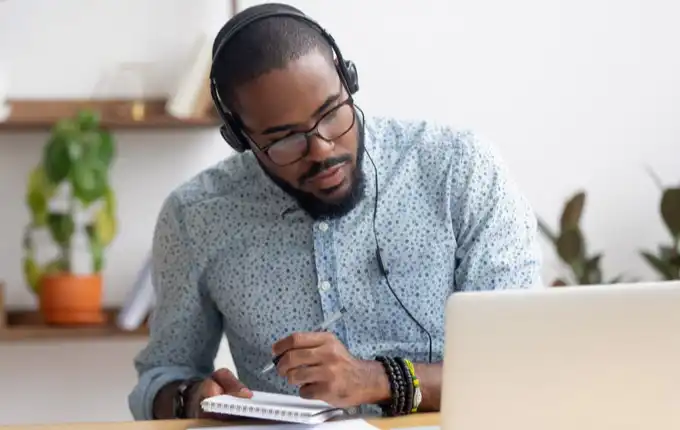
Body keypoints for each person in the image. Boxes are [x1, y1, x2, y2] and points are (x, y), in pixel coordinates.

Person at [128, 2, 542, 421]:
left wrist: (376, 379)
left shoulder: (460, 169)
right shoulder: (194, 216)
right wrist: (192, 397)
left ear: (349, 80)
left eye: (331, 113)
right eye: (284, 139)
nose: (322, 150)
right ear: (240, 138)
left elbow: (522, 364)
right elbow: (160, 376)